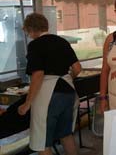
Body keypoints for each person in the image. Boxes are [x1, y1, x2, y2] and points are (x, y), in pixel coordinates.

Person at [18, 13, 81, 155]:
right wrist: (66, 77)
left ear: (32, 30)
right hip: (68, 91)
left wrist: (27, 103)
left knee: (42, 142)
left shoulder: (35, 45)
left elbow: (38, 75)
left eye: (28, 32)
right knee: (65, 134)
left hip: (49, 96)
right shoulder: (62, 41)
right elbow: (77, 68)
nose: (29, 35)